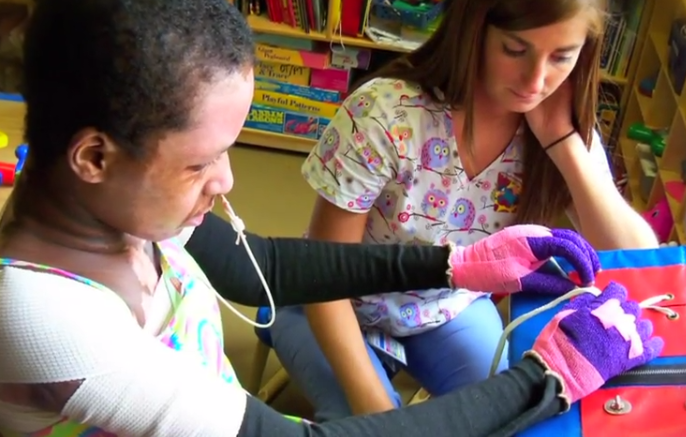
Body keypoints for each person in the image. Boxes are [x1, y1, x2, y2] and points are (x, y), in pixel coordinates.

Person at [0, 0, 662, 436]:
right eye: (201, 162)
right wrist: (546, 377)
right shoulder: (38, 314)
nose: (229, 180)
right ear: (94, 154)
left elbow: (258, 263)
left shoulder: (126, 207)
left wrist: (450, 263)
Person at [267, 0, 660, 421]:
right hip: (328, 302)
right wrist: (380, 414)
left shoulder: (555, 122)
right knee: (370, 426)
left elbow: (640, 259)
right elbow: (325, 279)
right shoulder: (386, 113)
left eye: (562, 56)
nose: (537, 80)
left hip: (447, 306)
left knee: (507, 418)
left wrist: (564, 146)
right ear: (473, 29)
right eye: (515, 50)